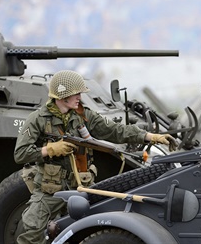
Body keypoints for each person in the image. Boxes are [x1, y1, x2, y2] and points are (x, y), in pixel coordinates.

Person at [13, 70, 176, 244]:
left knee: (96, 229)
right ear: (63, 95)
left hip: (82, 187)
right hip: (50, 189)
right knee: (32, 231)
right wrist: (50, 150)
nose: (79, 97)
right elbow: (20, 154)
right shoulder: (37, 119)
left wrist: (150, 136)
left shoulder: (83, 115)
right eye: (76, 94)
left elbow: (114, 130)